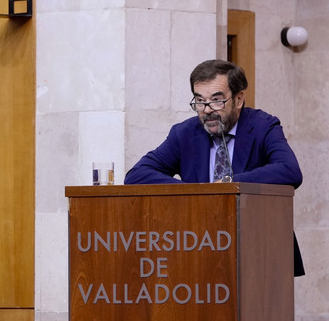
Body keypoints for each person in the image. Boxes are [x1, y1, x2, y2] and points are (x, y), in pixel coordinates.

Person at [125, 58, 304, 273]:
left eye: (216, 100)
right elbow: (137, 175)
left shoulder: (262, 126)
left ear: (238, 99)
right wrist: (197, 193)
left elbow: (289, 170)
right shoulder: (184, 133)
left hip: (260, 247)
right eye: (200, 101)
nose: (207, 110)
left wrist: (229, 184)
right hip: (200, 247)